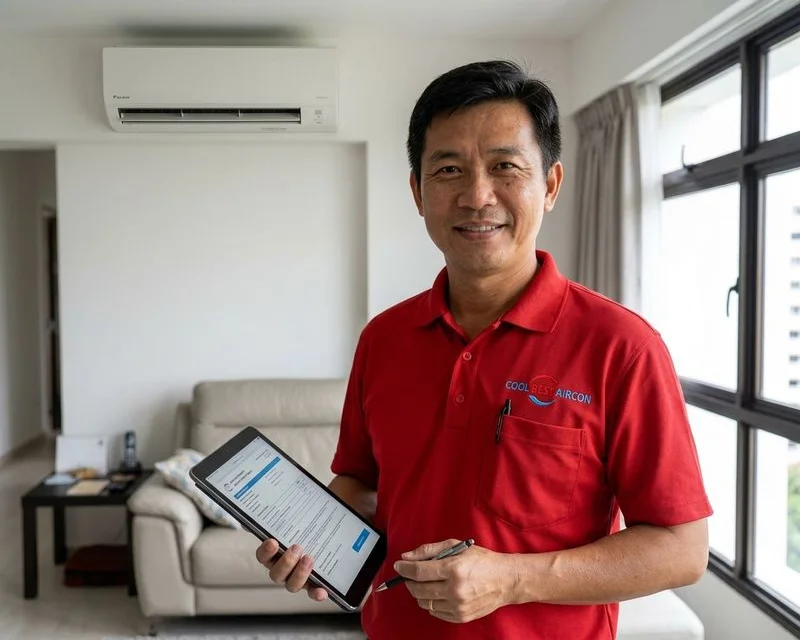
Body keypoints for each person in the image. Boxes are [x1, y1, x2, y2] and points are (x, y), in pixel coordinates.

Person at [256, 60, 712, 640]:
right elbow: (361, 484)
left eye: (505, 167)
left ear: (549, 186)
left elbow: (682, 549)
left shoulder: (621, 347)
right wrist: (314, 542)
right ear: (419, 193)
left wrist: (515, 579)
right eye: (448, 169)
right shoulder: (384, 339)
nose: (477, 196)